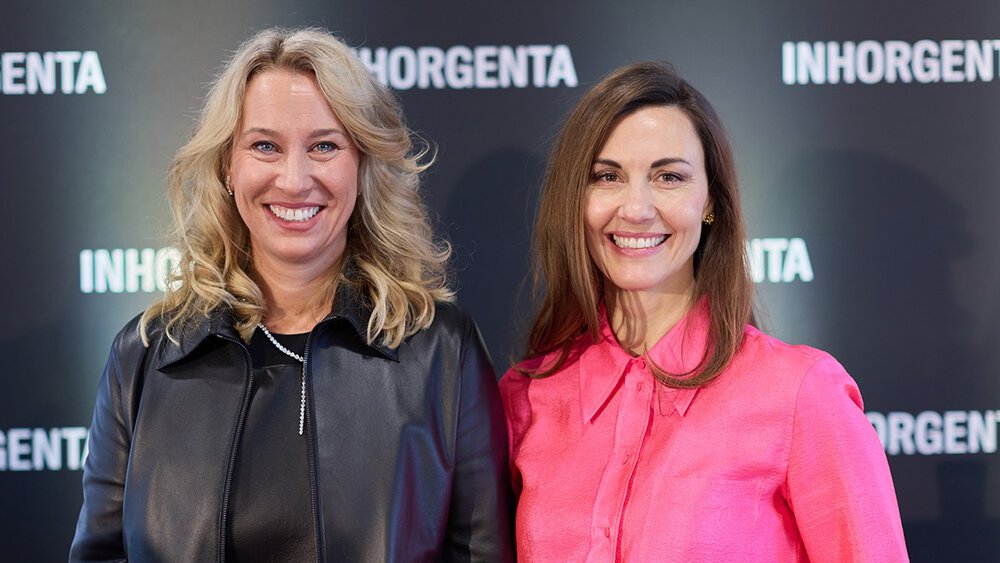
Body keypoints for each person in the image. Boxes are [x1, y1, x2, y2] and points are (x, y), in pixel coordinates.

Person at [70, 27, 512, 562]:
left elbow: (480, 553)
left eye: (324, 146)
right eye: (265, 146)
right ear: (228, 168)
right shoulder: (143, 357)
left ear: (362, 165)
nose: (294, 178)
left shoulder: (442, 352)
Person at [500, 61, 908, 561]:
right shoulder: (524, 398)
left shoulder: (803, 394)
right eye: (607, 176)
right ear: (576, 199)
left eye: (668, 176)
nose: (636, 208)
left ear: (710, 199)